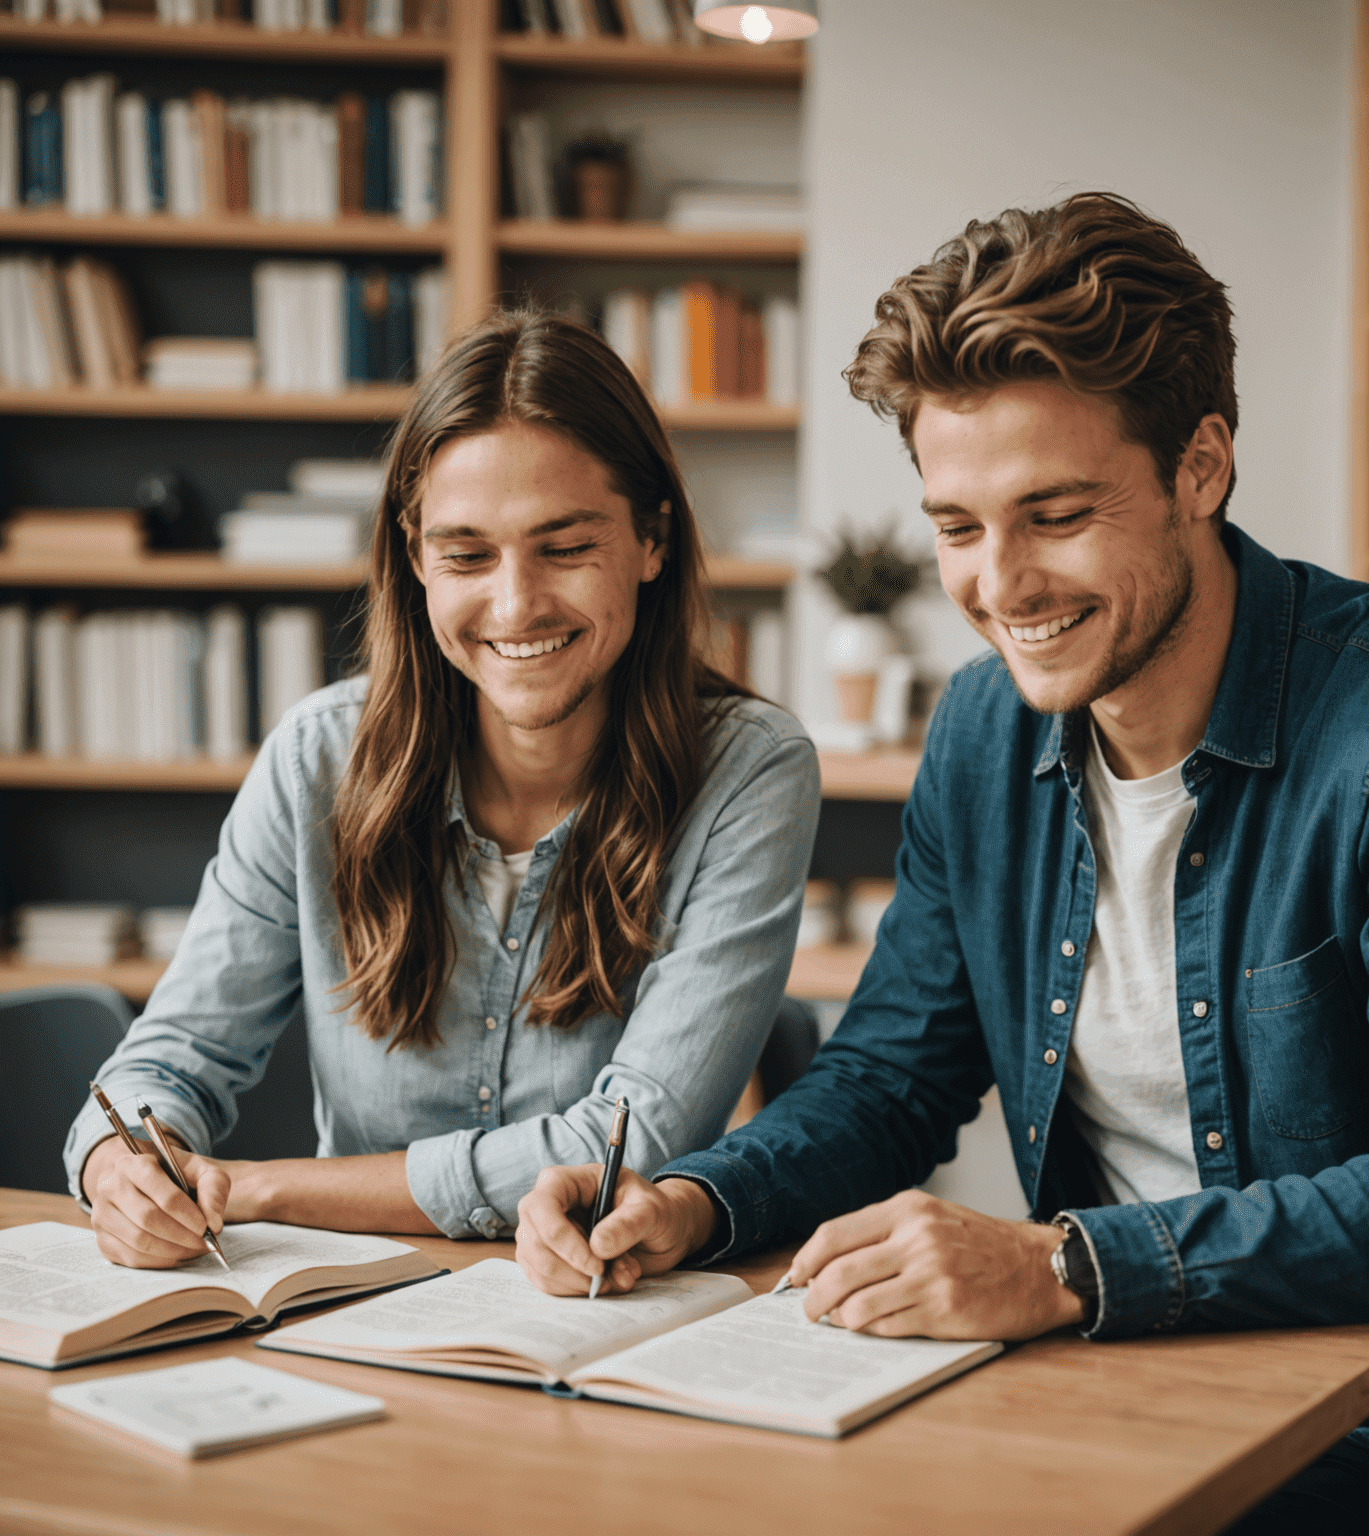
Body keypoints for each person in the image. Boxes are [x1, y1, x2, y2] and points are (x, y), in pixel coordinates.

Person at [514, 197, 1369, 1536]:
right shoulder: (986, 733)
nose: (1002, 586)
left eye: (1054, 514)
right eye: (957, 526)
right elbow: (891, 1078)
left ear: (1203, 466)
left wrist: (1064, 1266)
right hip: (1103, 1396)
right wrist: (698, 1200)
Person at [65, 309, 820, 1268]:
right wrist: (123, 1166)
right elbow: (164, 1064)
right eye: (467, 554)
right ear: (415, 556)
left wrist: (259, 1187)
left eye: (566, 545)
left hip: (602, 1311)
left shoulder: (753, 771)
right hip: (345, 1306)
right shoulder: (316, 759)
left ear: (652, 539)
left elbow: (626, 1142)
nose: (516, 605)